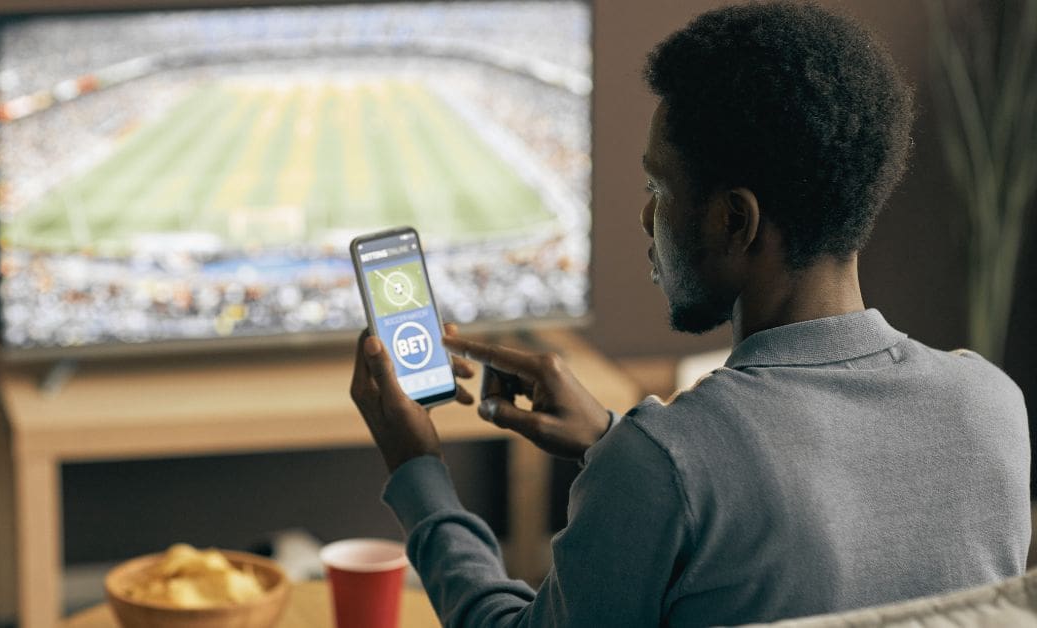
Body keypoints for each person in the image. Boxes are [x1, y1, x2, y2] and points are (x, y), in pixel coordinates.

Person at [349, 2, 1031, 626]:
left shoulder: (662, 466)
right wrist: (610, 441)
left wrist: (418, 471)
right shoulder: (992, 406)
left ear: (735, 220)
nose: (646, 217)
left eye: (659, 187)